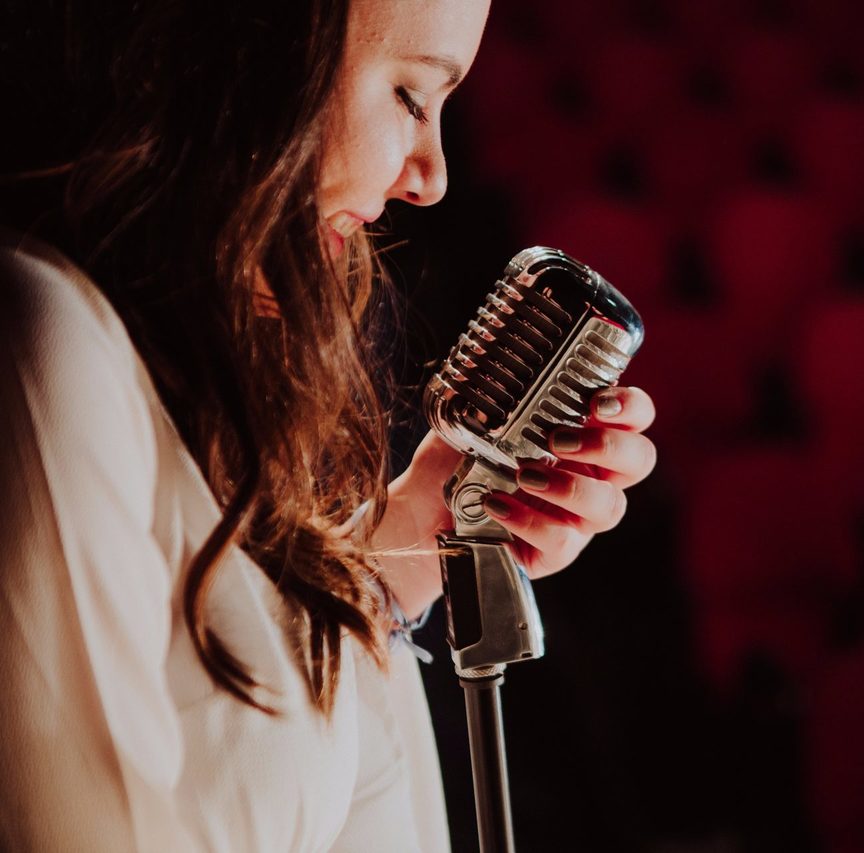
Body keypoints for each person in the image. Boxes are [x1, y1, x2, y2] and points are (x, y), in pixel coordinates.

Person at [0, 1, 657, 850]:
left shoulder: (201, 370)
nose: (431, 175)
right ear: (257, 61)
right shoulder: (45, 344)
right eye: (412, 96)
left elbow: (240, 739)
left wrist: (414, 535)